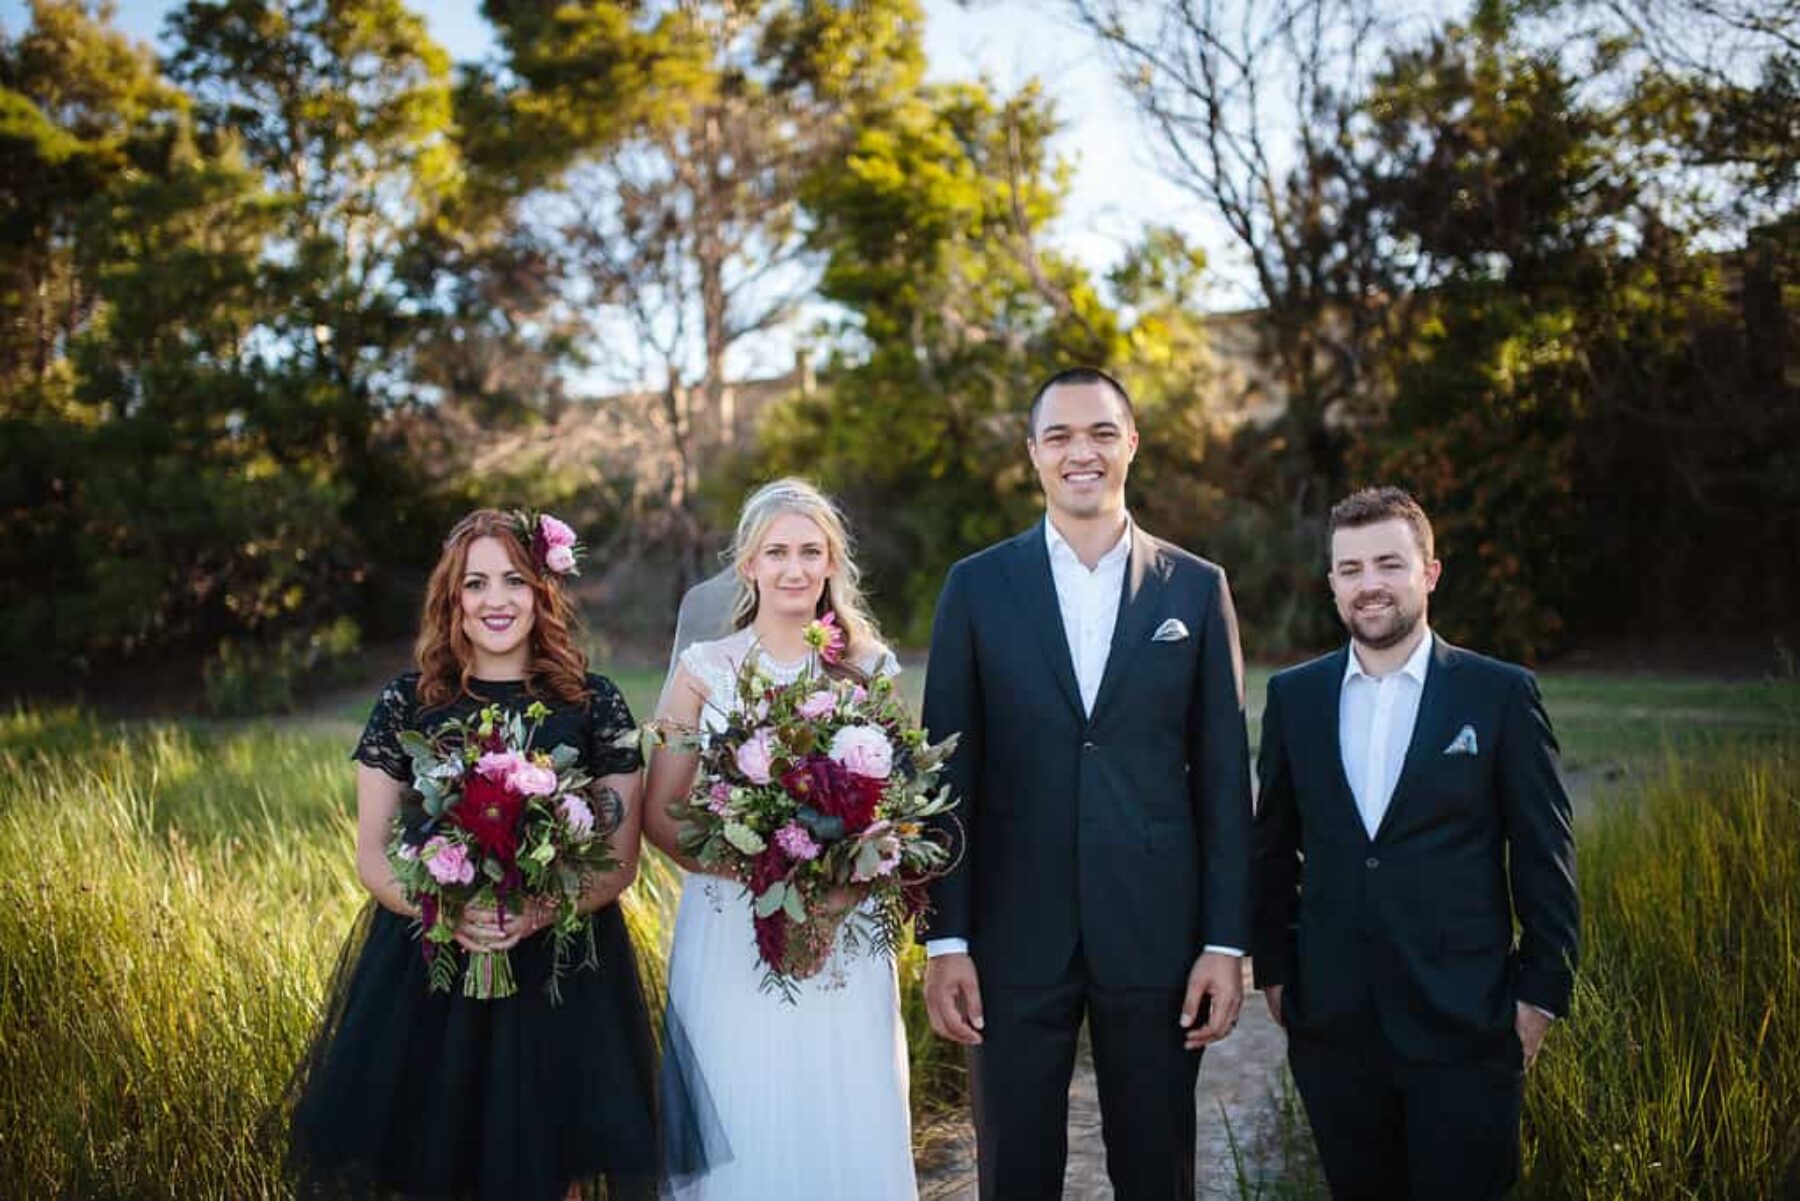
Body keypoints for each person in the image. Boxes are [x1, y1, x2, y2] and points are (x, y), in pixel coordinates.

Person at [920, 368, 1254, 1199]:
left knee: (1155, 1168)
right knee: (1015, 1171)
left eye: (1102, 432)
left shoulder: (1197, 587)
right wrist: (946, 939)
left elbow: (1221, 777)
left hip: (1157, 931)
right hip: (1009, 931)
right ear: (1032, 454)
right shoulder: (975, 586)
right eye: (1061, 436)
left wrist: (1225, 941)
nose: (1083, 452)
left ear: (1131, 444)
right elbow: (946, 772)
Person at [288, 509, 659, 1201]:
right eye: (476, 582)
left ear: (543, 590)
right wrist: (448, 912)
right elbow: (372, 856)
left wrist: (541, 906)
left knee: (556, 1173)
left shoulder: (591, 703)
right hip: (430, 971)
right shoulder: (408, 704)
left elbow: (618, 859)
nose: (496, 600)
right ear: (451, 597)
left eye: (514, 580)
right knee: (433, 1166)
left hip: (562, 972)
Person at [1251, 486, 1580, 1199]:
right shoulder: (1294, 698)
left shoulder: (1499, 694)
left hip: (1467, 1023)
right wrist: (1275, 970)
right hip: (1334, 1029)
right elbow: (1272, 848)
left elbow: (1543, 851)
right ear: (1333, 582)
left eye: (1389, 564)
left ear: (1429, 572)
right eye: (1351, 568)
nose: (1370, 584)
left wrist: (1541, 994)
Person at [643, 478, 915, 1200]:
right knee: (742, 1087)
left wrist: (834, 885)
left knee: (844, 1089)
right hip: (732, 922)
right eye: (777, 551)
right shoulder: (703, 671)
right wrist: (762, 871)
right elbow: (661, 811)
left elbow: (898, 809)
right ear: (748, 564)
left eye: (810, 551)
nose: (794, 567)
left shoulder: (869, 670)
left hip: (842, 926)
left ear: (832, 562)